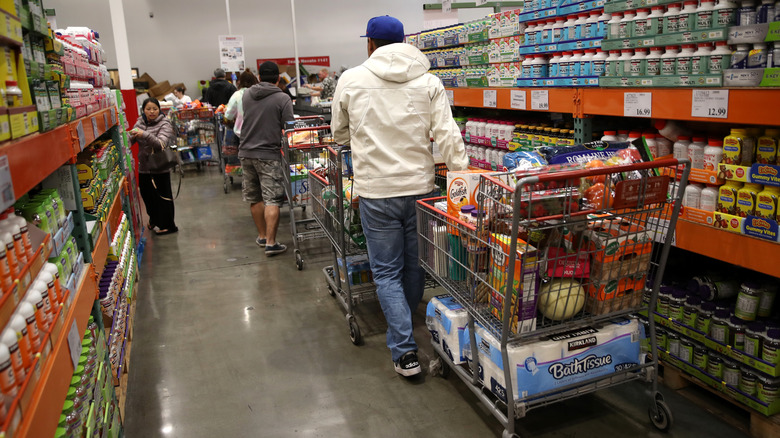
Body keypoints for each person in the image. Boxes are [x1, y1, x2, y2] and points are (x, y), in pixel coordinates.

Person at [331, 15, 468, 378]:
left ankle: (404, 350)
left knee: (386, 273)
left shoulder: (351, 79)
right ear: (405, 42)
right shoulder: (429, 80)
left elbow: (339, 133)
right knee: (413, 267)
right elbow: (448, 134)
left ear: (370, 44)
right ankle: (404, 333)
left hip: (377, 192)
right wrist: (464, 179)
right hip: (421, 189)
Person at [239, 61, 294, 256]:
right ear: (278, 78)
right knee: (272, 199)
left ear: (259, 77)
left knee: (254, 197)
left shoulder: (246, 94)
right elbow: (289, 126)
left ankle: (262, 236)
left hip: (246, 152)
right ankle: (271, 243)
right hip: (269, 154)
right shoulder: (282, 98)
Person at [130, 98, 179, 235]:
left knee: (163, 197)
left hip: (160, 167)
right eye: (148, 109)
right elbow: (130, 140)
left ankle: (169, 226)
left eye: (154, 109)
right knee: (147, 196)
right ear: (143, 110)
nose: (152, 112)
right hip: (144, 167)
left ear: (159, 110)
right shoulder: (140, 122)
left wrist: (144, 134)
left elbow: (160, 144)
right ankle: (154, 219)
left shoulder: (165, 124)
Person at [223, 69, 259, 139]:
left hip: (242, 133)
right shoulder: (260, 93)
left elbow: (229, 115)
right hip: (259, 133)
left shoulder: (237, 95)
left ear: (240, 81)